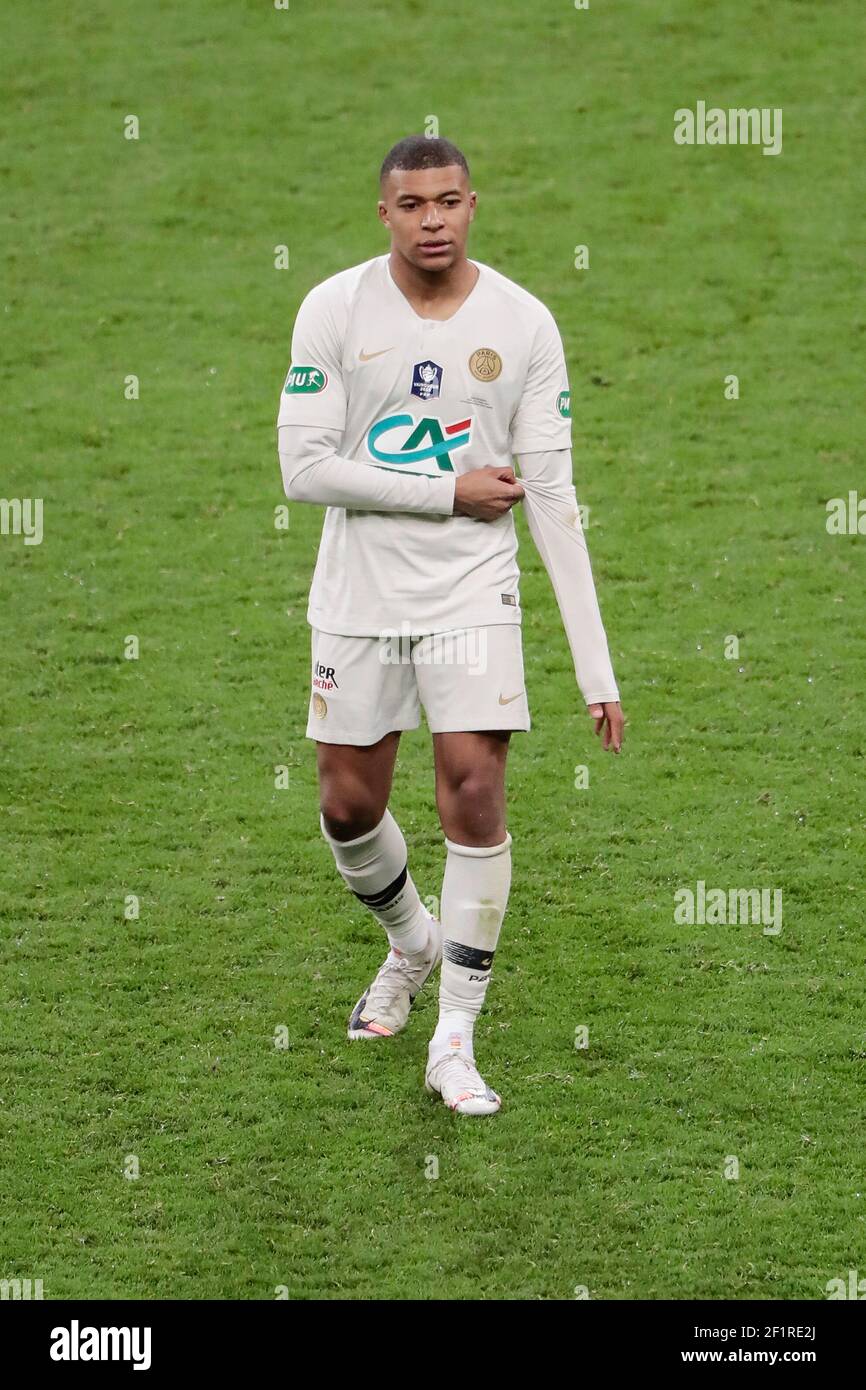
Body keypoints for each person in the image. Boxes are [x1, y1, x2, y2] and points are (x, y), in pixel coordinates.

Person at [276, 135, 623, 1116]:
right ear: (381, 214)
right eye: (411, 204)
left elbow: (550, 494)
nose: (432, 220)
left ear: (473, 205)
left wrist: (594, 667)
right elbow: (301, 470)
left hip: (473, 590)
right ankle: (410, 944)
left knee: (472, 785)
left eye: (448, 202)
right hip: (361, 596)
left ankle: (455, 1040)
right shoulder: (333, 310)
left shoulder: (522, 323)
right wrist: (444, 490)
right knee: (347, 806)